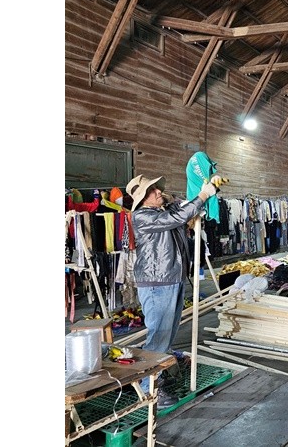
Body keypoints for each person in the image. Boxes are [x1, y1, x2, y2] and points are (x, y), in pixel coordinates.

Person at [126, 173, 219, 408]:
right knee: (159, 335)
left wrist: (206, 190)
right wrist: (203, 195)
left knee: (166, 334)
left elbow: (180, 213)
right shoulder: (142, 216)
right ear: (142, 198)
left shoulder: (161, 211)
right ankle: (148, 387)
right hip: (157, 283)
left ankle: (157, 374)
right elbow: (176, 217)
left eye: (157, 188)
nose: (159, 191)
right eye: (152, 190)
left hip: (171, 278)